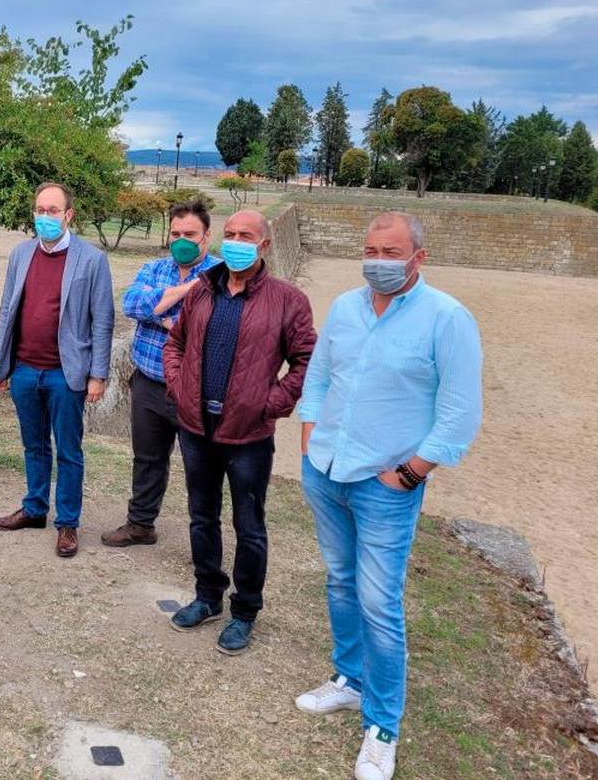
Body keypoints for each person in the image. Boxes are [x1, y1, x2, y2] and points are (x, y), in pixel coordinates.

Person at [294, 211, 483, 780]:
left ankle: (382, 727)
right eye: (370, 249)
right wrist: (309, 437)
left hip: (386, 484)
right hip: (328, 469)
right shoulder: (347, 308)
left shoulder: (446, 319)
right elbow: (321, 375)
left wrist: (410, 472)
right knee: (340, 580)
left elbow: (459, 414)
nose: (377, 260)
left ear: (417, 257)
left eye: (390, 251)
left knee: (380, 602)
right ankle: (348, 680)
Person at [162, 209, 315, 655]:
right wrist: (179, 385)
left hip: (248, 436)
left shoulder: (288, 301)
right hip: (196, 427)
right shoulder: (203, 290)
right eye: (229, 234)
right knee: (201, 516)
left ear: (264, 245)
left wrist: (269, 405)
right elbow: (176, 344)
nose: (235, 241)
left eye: (245, 235)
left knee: (249, 525)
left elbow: (306, 361)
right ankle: (208, 595)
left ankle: (245, 611)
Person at [0, 183, 114, 558]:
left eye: (52, 211)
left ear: (68, 215)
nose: (45, 217)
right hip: (25, 369)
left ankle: (68, 523)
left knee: (69, 451)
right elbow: (9, 309)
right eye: (40, 210)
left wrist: (97, 375)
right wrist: (1, 363)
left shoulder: (91, 260)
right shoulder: (21, 254)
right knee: (34, 445)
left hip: (66, 374)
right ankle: (34, 508)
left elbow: (102, 321)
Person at [102, 199, 221, 548]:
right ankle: (141, 524)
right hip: (149, 383)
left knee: (202, 468)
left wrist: (162, 312)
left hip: (195, 391)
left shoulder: (223, 275)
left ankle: (205, 542)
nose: (182, 240)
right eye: (176, 233)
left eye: (190, 234)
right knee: (147, 458)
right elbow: (131, 303)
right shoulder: (154, 268)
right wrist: (187, 291)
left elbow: (209, 326)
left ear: (206, 236)